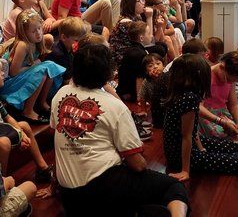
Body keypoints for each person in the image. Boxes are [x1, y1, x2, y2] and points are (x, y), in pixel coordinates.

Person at [51, 43, 189, 217]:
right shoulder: (114, 106)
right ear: (108, 72)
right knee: (173, 186)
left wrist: (54, 184)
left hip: (69, 197)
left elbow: (57, 143)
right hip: (104, 187)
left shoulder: (60, 95)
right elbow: (138, 165)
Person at [163, 54, 238, 180]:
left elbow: (192, 131)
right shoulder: (189, 98)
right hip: (180, 156)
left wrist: (202, 149)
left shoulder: (184, 93)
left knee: (235, 147)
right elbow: (186, 137)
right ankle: (190, 164)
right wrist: (185, 170)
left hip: (186, 148)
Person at [0, 10, 65, 124]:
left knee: (49, 67)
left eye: (39, 28)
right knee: (42, 72)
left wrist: (37, 64)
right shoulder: (23, 45)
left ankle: (42, 102)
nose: (38, 33)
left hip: (23, 76)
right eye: (33, 31)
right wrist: (35, 64)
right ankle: (28, 110)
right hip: (10, 83)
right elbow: (14, 72)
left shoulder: (39, 40)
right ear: (24, 33)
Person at [45, 17, 89, 84]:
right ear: (64, 37)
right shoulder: (58, 54)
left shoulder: (69, 48)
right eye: (76, 40)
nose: (78, 43)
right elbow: (66, 81)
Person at [138, 53, 169, 128]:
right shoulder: (147, 82)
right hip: (155, 110)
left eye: (158, 64)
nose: (155, 67)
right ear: (146, 71)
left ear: (163, 66)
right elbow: (142, 97)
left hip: (168, 109)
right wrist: (143, 110)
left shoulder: (168, 77)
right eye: (150, 66)